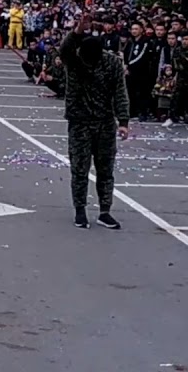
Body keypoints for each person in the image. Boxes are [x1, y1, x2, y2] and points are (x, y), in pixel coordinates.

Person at [58, 15, 130, 230]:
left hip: (105, 121)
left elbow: (120, 92)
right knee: (79, 169)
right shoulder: (74, 59)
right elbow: (64, 49)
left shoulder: (112, 63)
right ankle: (80, 210)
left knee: (105, 169)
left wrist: (123, 120)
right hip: (79, 121)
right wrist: (78, 30)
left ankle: (105, 211)